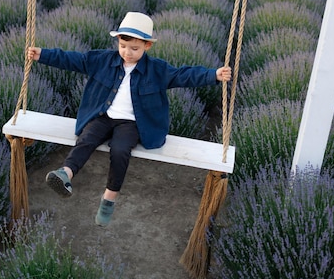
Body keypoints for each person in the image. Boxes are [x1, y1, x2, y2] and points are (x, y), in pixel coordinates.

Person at [28, 12, 231, 226]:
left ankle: (109, 199)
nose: (128, 53)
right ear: (118, 41)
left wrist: (214, 75)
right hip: (103, 116)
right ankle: (65, 173)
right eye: (123, 46)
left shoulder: (157, 70)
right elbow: (72, 59)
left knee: (120, 149)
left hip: (132, 123)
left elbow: (184, 75)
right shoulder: (102, 60)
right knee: (87, 138)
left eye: (135, 49)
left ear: (147, 46)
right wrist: (42, 54)